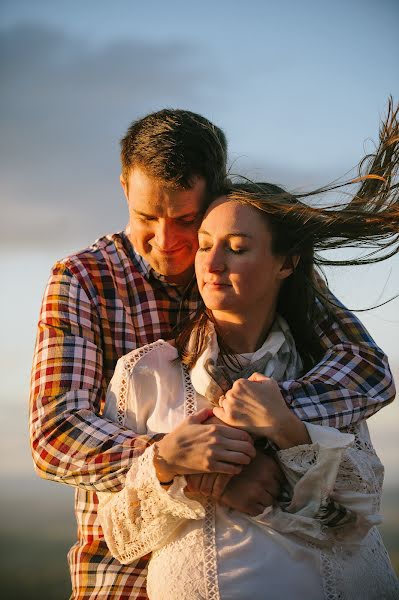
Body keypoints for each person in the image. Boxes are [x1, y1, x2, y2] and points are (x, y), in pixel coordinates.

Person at [29, 106, 396, 599]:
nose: (165, 241)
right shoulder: (83, 280)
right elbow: (56, 434)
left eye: (185, 220)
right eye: (145, 217)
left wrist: (271, 424)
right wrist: (208, 468)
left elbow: (367, 369)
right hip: (123, 567)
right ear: (123, 188)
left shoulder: (261, 268)